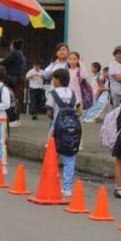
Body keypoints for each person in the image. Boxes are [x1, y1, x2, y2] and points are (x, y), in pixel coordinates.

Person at [48, 68, 82, 197]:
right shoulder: (74, 94)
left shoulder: (53, 93)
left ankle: (52, 183)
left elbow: (49, 112)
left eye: (54, 79)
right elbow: (79, 110)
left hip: (57, 128)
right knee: (70, 158)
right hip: (73, 128)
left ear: (58, 80)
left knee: (53, 156)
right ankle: (67, 188)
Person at [1, 40, 26, 128]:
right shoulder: (21, 54)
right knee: (16, 98)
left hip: (14, 80)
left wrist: (0, 61)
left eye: (11, 45)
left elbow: (4, 62)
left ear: (13, 46)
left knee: (13, 99)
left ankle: (15, 119)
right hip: (20, 79)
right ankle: (16, 119)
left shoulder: (14, 53)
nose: (10, 46)